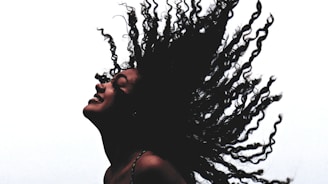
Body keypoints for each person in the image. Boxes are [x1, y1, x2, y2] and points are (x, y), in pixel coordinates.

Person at [83, 0, 291, 183]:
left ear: (136, 109)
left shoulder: (149, 167)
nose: (101, 85)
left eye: (117, 85)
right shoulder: (113, 174)